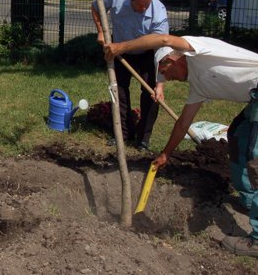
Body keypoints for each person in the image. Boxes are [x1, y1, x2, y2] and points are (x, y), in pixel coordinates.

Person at [104, 33, 258, 258]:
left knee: (254, 157)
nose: (170, 79)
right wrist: (166, 154)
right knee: (238, 137)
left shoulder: (197, 50)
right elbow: (183, 122)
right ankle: (249, 199)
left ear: (172, 60)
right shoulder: (198, 87)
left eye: (166, 74)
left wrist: (121, 47)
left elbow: (164, 40)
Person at [91, 0, 169, 151]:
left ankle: (143, 139)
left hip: (147, 54)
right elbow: (95, 6)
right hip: (120, 53)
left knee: (151, 95)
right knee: (118, 91)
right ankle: (122, 133)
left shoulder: (159, 12)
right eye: (139, 5)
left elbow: (162, 50)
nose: (143, 9)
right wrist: (101, 32)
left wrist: (160, 85)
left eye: (147, 4)